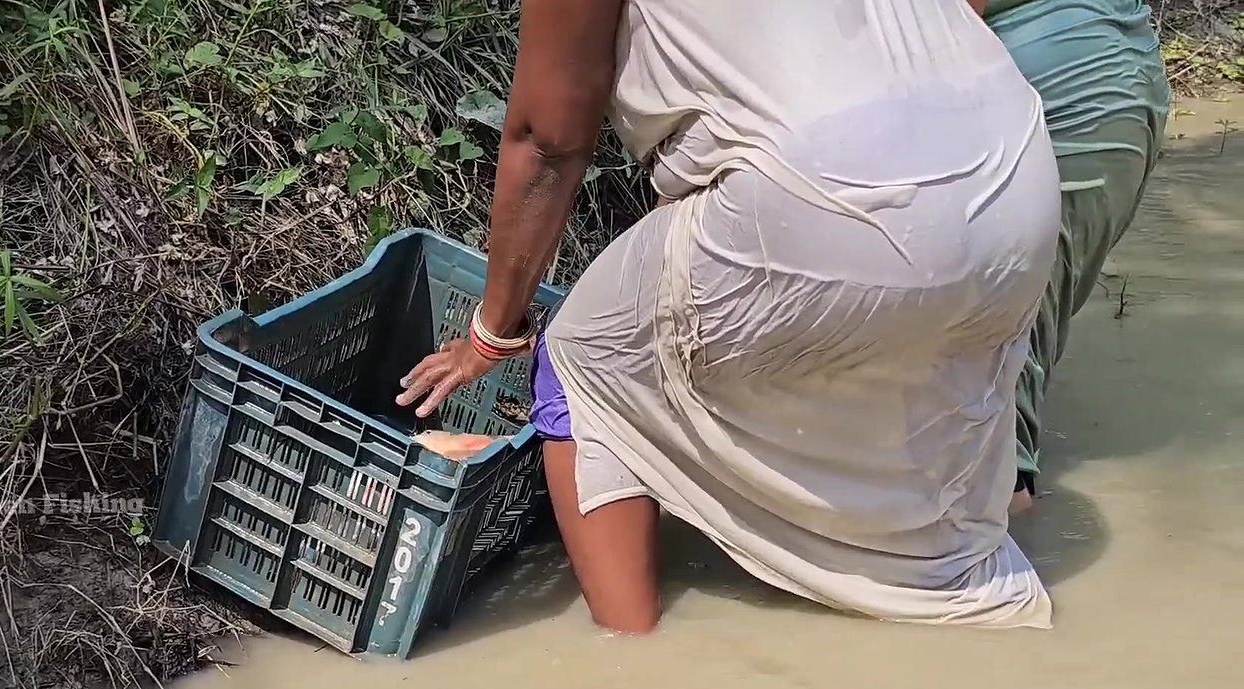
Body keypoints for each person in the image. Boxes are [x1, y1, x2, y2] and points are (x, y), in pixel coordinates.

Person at [397, 0, 1062, 633]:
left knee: (584, 355)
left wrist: (493, 332)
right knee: (930, 449)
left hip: (841, 192)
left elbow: (547, 140)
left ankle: (626, 666)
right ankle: (972, 605)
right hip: (1015, 176)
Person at [979, 0, 1171, 513]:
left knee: (990, 355)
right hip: (1113, 78)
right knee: (1005, 342)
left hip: (1063, 100)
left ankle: (993, 536)